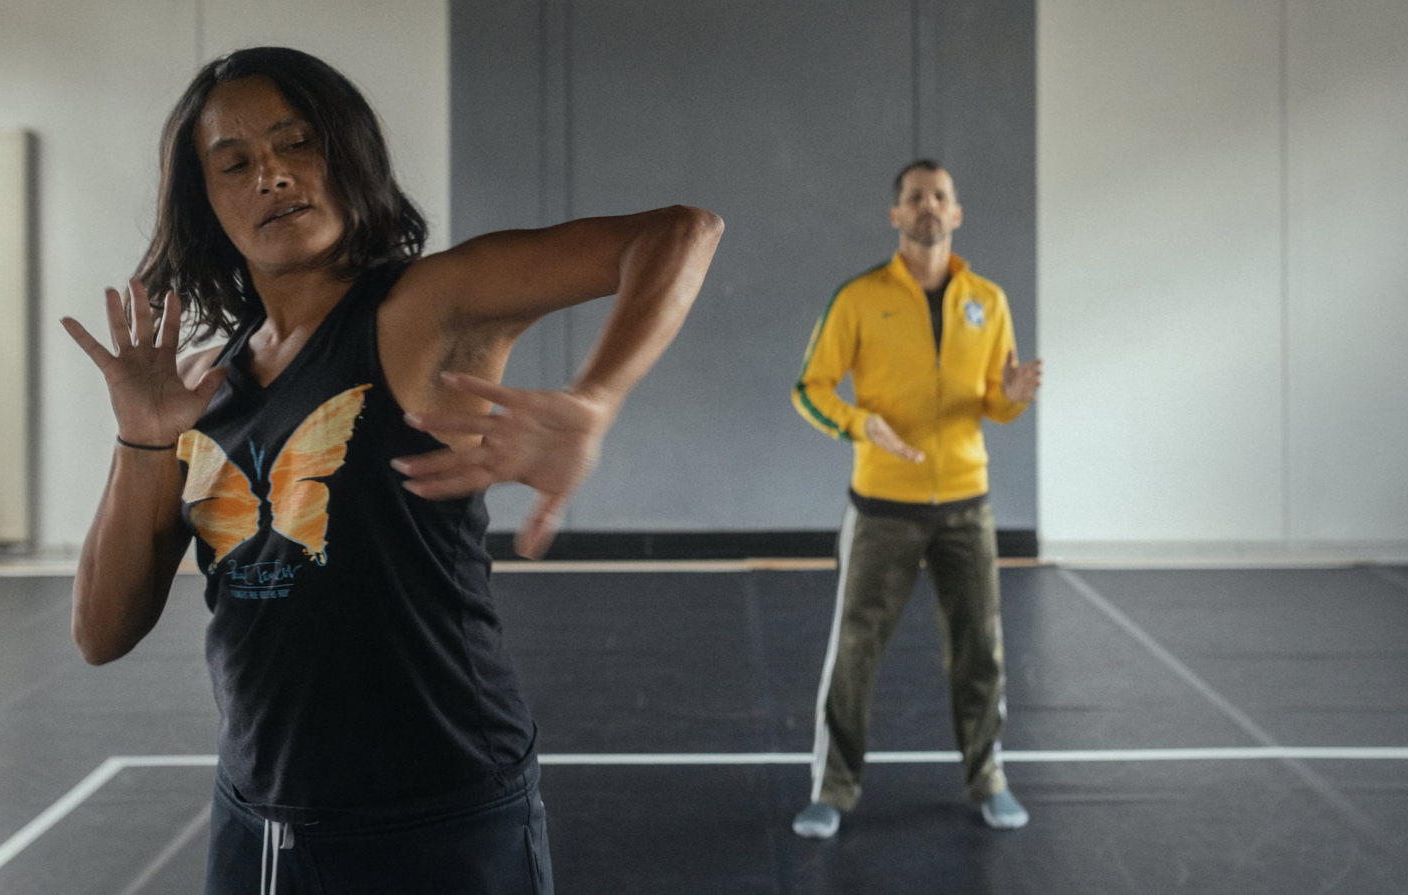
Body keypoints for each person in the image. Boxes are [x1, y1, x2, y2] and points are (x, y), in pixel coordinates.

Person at [60, 47, 721, 894]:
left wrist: (596, 397)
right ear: (208, 203)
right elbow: (100, 633)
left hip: (440, 821)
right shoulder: (198, 385)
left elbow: (679, 233)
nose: (271, 175)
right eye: (235, 163)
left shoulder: (424, 307)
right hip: (258, 826)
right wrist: (142, 437)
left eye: (297, 144)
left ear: (347, 155)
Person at [789, 159, 1043, 839]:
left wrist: (1012, 398)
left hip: (967, 505)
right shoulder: (859, 297)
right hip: (882, 508)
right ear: (896, 215)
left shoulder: (987, 299)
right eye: (914, 197)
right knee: (854, 651)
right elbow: (809, 388)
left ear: (956, 213)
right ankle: (832, 787)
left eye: (939, 196)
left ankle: (988, 776)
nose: (927, 205)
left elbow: (994, 399)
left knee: (981, 649)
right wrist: (856, 422)